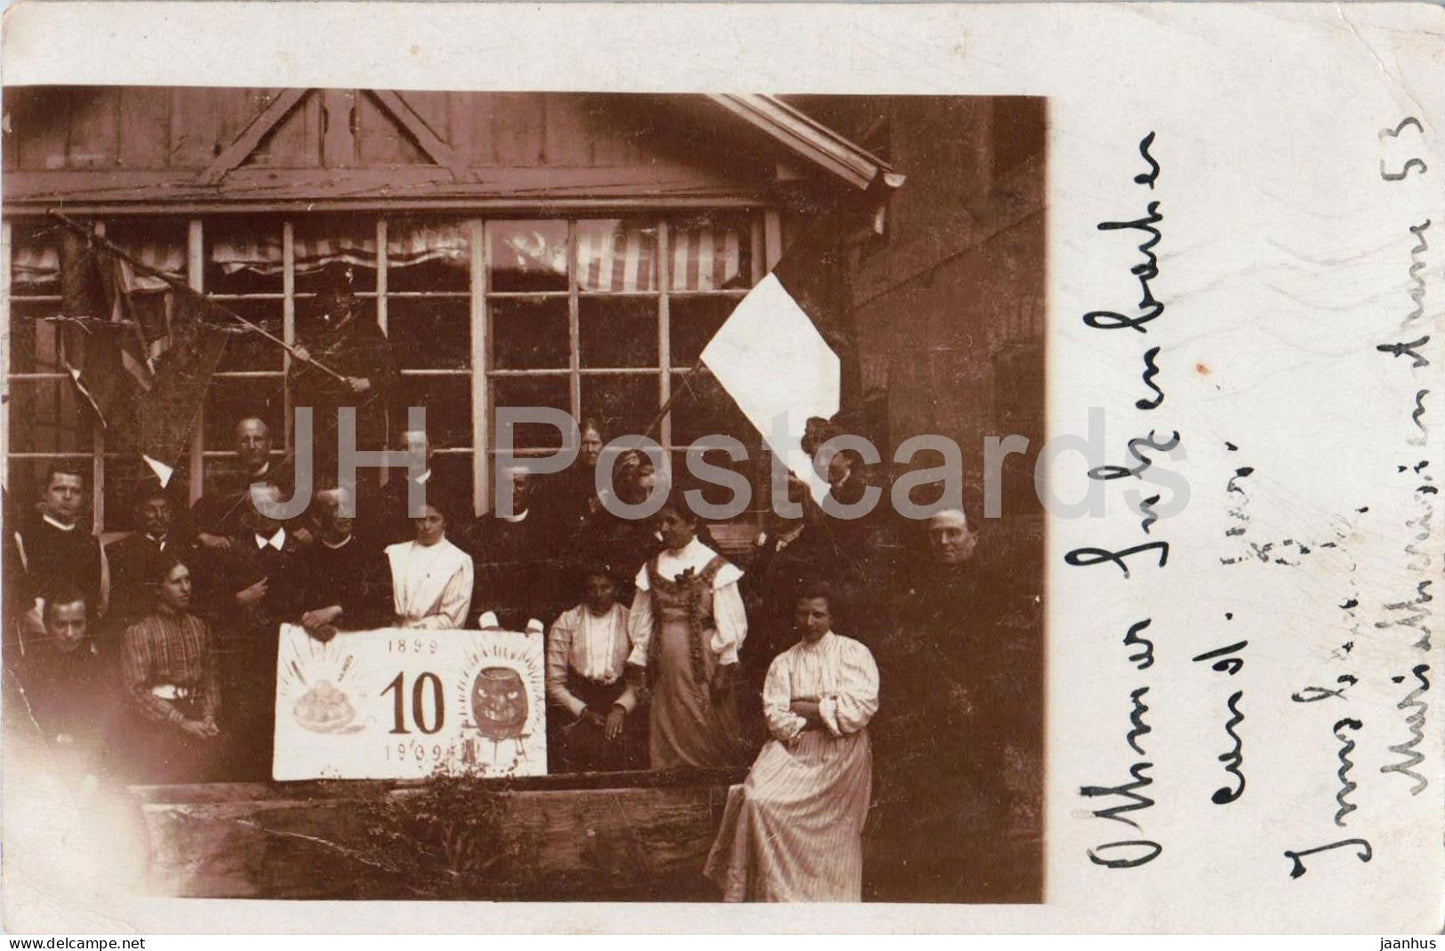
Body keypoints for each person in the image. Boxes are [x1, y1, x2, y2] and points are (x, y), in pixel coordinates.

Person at [869, 506, 1042, 902]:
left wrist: (978, 699)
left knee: (979, 804)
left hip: (980, 715)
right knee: (930, 804)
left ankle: (979, 889)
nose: (944, 542)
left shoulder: (999, 588)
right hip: (928, 714)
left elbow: (1014, 653)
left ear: (974, 536)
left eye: (953, 533)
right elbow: (904, 647)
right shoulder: (916, 586)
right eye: (936, 535)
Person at [703, 585, 879, 901]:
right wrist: (827, 707)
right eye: (803, 613)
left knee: (831, 831)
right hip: (794, 748)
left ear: (832, 616)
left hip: (841, 756)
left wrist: (803, 707)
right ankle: (778, 896)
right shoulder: (784, 662)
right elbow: (777, 718)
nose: (809, 621)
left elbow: (858, 710)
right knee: (759, 800)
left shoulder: (854, 653)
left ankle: (826, 897)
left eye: (818, 614)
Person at [624, 491, 748, 769]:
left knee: (706, 725)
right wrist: (640, 662)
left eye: (671, 521)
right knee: (669, 723)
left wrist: (725, 669)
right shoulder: (653, 566)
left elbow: (731, 625)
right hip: (665, 666)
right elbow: (643, 623)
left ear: (692, 523)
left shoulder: (715, 565)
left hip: (703, 665)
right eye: (661, 523)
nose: (664, 529)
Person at [205, 482, 313, 780]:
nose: (266, 514)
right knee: (247, 725)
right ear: (249, 513)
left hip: (291, 656)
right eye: (258, 508)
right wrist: (239, 599)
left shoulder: (301, 550)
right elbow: (212, 608)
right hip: (246, 657)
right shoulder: (232, 552)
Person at [118, 557, 223, 784]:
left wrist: (208, 715)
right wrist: (181, 722)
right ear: (158, 589)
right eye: (176, 582)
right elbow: (136, 690)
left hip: (198, 717)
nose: (186, 588)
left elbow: (210, 677)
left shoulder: (199, 626)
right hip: (158, 726)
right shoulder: (141, 630)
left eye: (188, 580)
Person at [3, 586, 114, 781]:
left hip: (89, 770)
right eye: (61, 624)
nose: (70, 633)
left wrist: (92, 777)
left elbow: (105, 732)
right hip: (42, 771)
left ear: (87, 624)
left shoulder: (99, 670)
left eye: (77, 624)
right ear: (47, 625)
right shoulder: (28, 670)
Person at [290, 263, 396, 463]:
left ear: (352, 298)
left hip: (360, 429)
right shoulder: (310, 334)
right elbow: (293, 385)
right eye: (331, 294)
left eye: (343, 294)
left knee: (361, 492)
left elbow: (393, 373)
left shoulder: (369, 331)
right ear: (323, 299)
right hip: (320, 431)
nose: (337, 301)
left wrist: (368, 382)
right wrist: (299, 364)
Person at [545, 561, 640, 772]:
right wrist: (582, 711)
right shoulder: (567, 621)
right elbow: (554, 682)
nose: (598, 595)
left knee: (625, 750)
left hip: (618, 701)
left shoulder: (631, 620)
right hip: (579, 702)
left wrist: (621, 708)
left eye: (605, 587)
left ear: (616, 589)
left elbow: (641, 678)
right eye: (591, 588)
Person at [3, 464, 106, 653]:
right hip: (36, 644)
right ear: (45, 493)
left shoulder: (90, 543)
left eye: (75, 491)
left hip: (79, 645)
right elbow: (17, 596)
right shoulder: (24, 537)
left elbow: (99, 599)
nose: (67, 496)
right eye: (59, 489)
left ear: (83, 497)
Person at [295, 484, 394, 641]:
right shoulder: (302, 557)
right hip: (308, 644)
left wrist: (336, 611)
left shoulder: (373, 557)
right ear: (317, 517)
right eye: (335, 508)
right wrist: (311, 622)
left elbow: (383, 611)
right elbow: (289, 605)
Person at [469, 465, 562, 632]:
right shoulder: (479, 529)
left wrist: (536, 623)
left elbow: (549, 583)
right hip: (489, 627)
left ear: (531, 488)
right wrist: (489, 623)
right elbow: (477, 580)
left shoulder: (546, 531)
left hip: (535, 629)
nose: (512, 491)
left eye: (519, 484)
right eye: (506, 484)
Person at [105, 483, 190, 636]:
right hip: (140, 635)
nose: (159, 515)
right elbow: (117, 607)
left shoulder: (186, 550)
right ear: (137, 514)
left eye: (165, 509)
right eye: (151, 510)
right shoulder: (119, 552)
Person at [385, 496, 473, 630]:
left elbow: (451, 619)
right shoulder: (395, 553)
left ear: (445, 522)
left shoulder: (458, 560)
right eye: (421, 519)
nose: (426, 526)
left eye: (434, 520)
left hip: (433, 639)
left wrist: (414, 630)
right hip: (392, 634)